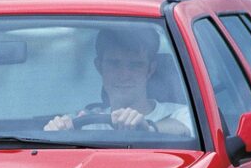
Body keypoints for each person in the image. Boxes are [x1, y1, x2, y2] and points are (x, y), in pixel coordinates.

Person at [44, 27, 193, 136]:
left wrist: (148, 128)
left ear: (150, 70)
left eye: (135, 65)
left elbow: (183, 128)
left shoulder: (182, 113)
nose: (124, 75)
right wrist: (55, 132)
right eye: (114, 64)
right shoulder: (84, 122)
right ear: (99, 67)